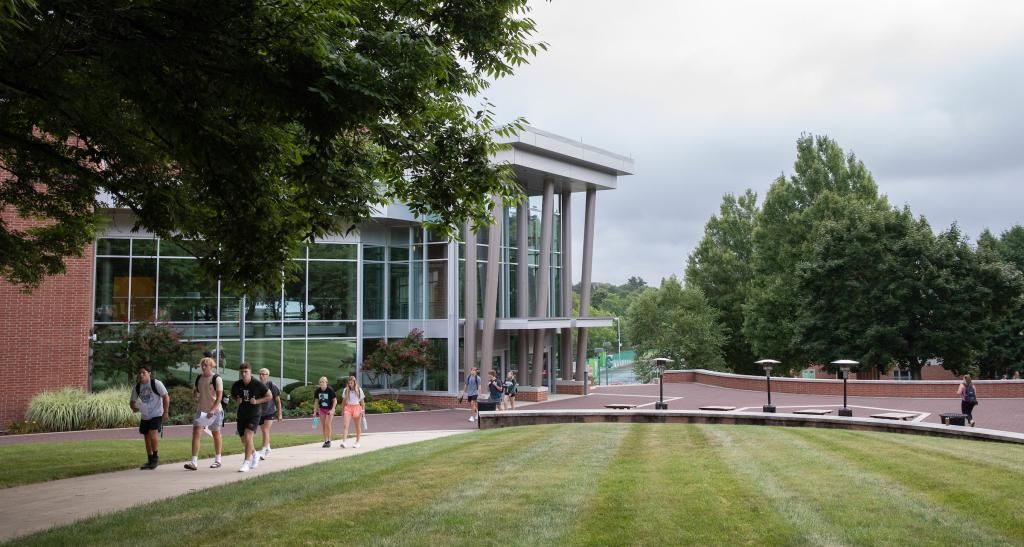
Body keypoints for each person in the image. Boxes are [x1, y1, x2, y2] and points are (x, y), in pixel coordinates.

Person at [231, 362, 272, 472]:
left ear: (250, 372)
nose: (244, 374)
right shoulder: (237, 384)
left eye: (246, 372)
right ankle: (255, 454)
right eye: (242, 372)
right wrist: (237, 400)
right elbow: (233, 395)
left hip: (254, 414)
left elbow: (269, 396)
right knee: (244, 440)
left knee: (248, 437)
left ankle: (246, 463)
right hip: (242, 414)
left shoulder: (257, 384)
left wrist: (257, 401)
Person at [185, 357, 225, 470]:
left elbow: (219, 397)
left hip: (215, 411)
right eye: (202, 365)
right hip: (201, 410)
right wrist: (194, 395)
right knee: (196, 432)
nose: (203, 367)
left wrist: (212, 410)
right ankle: (194, 462)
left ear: (211, 366)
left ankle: (218, 460)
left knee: (216, 433)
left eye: (206, 365)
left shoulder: (217, 379)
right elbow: (196, 393)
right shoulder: (199, 378)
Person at [128, 365, 169, 470]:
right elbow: (132, 402)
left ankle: (155, 458)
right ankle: (150, 459)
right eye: (139, 373)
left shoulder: (156, 384)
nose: (141, 375)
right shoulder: (137, 387)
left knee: (152, 433)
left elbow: (166, 396)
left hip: (156, 413)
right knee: (146, 436)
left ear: (149, 374)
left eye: (144, 373)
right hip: (145, 415)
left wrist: (165, 412)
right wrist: (135, 407)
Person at [257, 368, 283, 460]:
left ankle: (263, 451)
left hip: (270, 411)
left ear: (267, 376)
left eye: (264, 374)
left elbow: (278, 401)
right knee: (264, 431)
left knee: (265, 430)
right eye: (260, 374)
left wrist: (280, 414)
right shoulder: (257, 385)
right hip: (260, 412)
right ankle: (268, 447)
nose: (261, 376)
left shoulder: (272, 386)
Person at [339, 376, 366, 448]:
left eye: (351, 383)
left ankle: (357, 442)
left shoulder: (359, 390)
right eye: (349, 383)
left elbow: (362, 402)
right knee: (345, 425)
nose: (350, 384)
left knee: (357, 426)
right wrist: (342, 410)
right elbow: (343, 402)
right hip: (348, 408)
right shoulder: (345, 390)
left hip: (357, 408)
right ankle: (344, 442)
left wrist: (363, 410)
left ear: (354, 382)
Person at [312, 376, 337, 447]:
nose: (321, 383)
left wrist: (333, 409)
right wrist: (315, 411)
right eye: (320, 382)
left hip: (329, 409)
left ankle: (329, 440)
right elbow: (316, 401)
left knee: (327, 424)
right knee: (323, 425)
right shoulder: (318, 391)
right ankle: (325, 441)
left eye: (323, 381)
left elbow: (335, 400)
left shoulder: (330, 390)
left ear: (326, 382)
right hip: (322, 409)